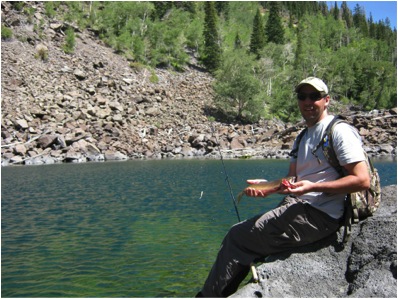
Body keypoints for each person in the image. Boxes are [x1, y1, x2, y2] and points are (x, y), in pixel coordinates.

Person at [196, 77, 370, 297]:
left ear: (327, 100)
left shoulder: (339, 131)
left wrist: (311, 187)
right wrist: (269, 187)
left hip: (321, 214)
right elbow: (293, 179)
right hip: (301, 204)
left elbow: (363, 180)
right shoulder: (302, 137)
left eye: (314, 96)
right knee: (245, 236)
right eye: (302, 97)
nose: (308, 102)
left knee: (237, 237)